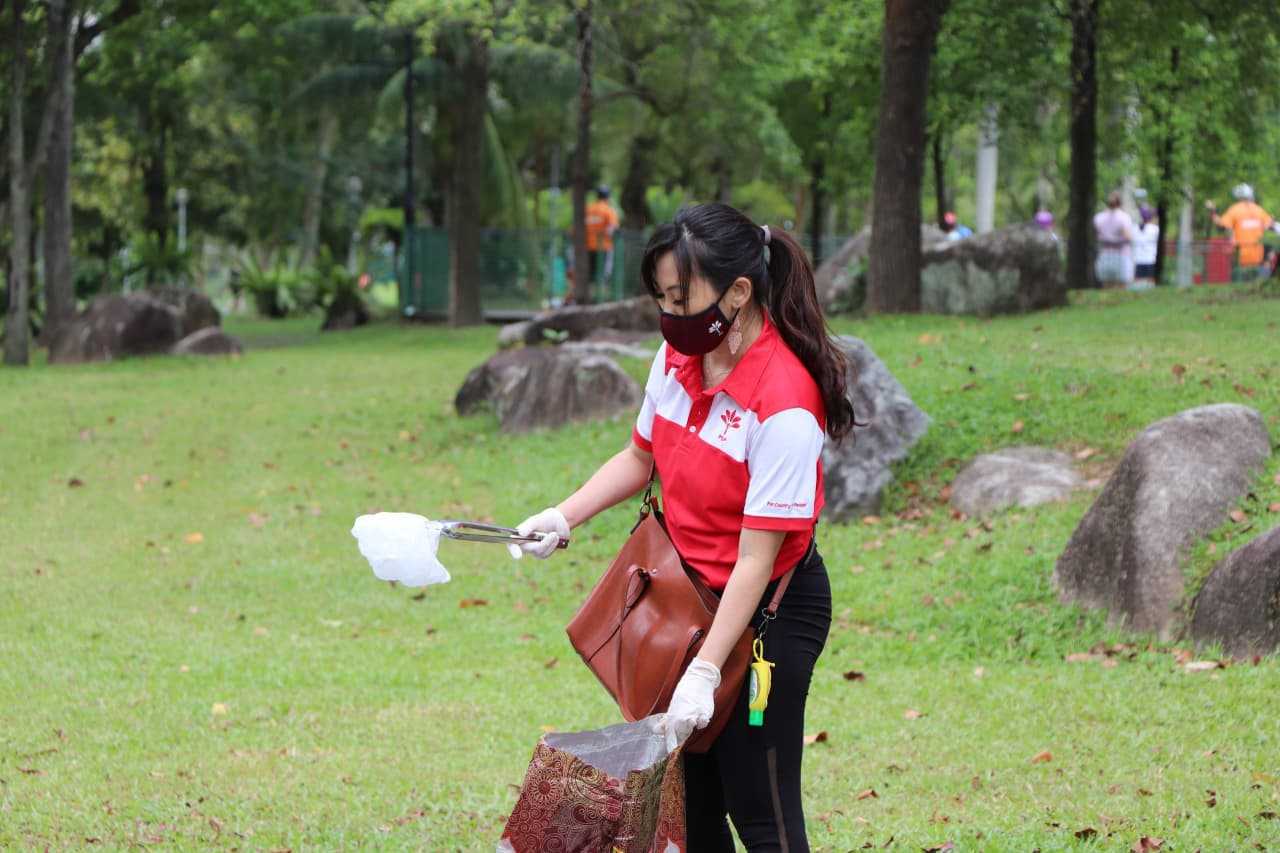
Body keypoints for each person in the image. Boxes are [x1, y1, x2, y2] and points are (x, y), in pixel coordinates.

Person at [515, 202, 857, 851]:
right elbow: (639, 456)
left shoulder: (783, 404)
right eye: (663, 299)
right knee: (690, 809)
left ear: (738, 291)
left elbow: (758, 559)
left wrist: (704, 670)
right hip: (687, 602)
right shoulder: (677, 359)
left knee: (761, 810)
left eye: (682, 297)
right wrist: (565, 514)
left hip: (765, 618)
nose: (671, 316)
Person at [1205, 183, 1280, 280]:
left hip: (1240, 256)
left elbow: (1220, 226)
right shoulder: (1259, 210)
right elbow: (1272, 226)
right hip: (1259, 256)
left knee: (1240, 285)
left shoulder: (1234, 210)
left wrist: (1212, 210)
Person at [1093, 190, 1134, 287]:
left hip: (1104, 255)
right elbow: (1127, 237)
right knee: (1122, 286)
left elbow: (1096, 235)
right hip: (1121, 256)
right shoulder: (1124, 217)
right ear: (1120, 203)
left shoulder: (1099, 218)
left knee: (1107, 285)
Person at [584, 184, 621, 288]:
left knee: (591, 273)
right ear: (608, 196)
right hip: (604, 246)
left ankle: (591, 289)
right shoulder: (608, 210)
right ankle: (602, 288)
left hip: (589, 246)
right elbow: (614, 227)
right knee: (604, 271)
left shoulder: (588, 209)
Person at [1132, 204, 1160, 290]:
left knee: (1137, 281)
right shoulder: (1155, 228)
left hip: (1138, 258)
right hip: (1150, 258)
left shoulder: (1135, 228)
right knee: (1150, 280)